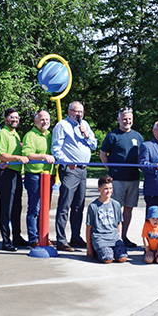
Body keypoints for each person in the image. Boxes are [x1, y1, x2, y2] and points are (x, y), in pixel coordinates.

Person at [51, 101, 98, 252]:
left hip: (83, 170)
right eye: (76, 112)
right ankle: (61, 239)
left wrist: (85, 133)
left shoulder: (85, 125)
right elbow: (56, 148)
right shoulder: (62, 126)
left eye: (81, 112)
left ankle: (76, 237)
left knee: (78, 206)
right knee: (65, 205)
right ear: (69, 111)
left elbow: (94, 145)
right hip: (70, 170)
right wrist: (66, 162)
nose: (79, 114)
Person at [100, 107, 145, 248]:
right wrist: (111, 169)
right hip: (117, 179)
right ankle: (114, 237)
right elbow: (103, 154)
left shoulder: (138, 136)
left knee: (128, 209)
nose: (127, 121)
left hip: (133, 178)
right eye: (124, 119)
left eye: (129, 119)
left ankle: (124, 236)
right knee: (115, 209)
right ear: (119, 119)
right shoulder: (112, 136)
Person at [0, 108, 30, 251]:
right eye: (11, 117)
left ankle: (17, 237)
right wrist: (17, 158)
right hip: (6, 174)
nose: (14, 120)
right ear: (5, 119)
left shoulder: (15, 135)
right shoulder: (2, 134)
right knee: (6, 209)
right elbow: (0, 155)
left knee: (16, 207)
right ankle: (6, 240)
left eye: (16, 117)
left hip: (16, 174)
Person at [22, 109, 56, 248]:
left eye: (47, 119)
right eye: (42, 119)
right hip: (35, 176)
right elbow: (27, 154)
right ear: (35, 121)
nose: (45, 122)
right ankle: (33, 238)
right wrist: (43, 156)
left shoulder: (50, 135)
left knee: (45, 208)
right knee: (34, 209)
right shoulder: (30, 135)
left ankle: (43, 237)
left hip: (49, 176)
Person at [86, 175, 128, 264]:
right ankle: (97, 250)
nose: (109, 191)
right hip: (100, 238)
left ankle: (113, 250)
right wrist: (89, 247)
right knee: (108, 259)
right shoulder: (93, 207)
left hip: (113, 238)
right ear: (99, 190)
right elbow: (89, 227)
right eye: (106, 189)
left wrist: (118, 239)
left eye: (110, 188)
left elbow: (118, 224)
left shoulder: (116, 205)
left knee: (122, 258)